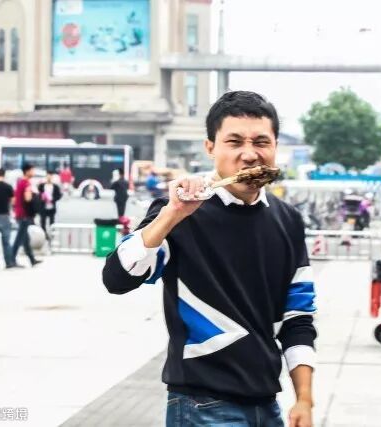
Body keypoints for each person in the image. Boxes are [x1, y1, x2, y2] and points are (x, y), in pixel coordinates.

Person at [102, 91, 316, 427]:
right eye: (234, 142)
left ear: (275, 146)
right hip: (201, 404)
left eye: (261, 141)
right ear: (210, 147)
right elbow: (117, 278)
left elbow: (298, 317)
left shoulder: (287, 220)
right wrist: (172, 214)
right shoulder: (182, 213)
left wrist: (304, 399)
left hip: (266, 405)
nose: (249, 154)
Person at [11, 164, 42, 267]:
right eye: (32, 170)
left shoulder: (20, 182)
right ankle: (11, 259)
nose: (33, 172)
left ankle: (32, 259)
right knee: (20, 238)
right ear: (27, 171)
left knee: (25, 238)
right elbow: (28, 198)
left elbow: (14, 199)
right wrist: (35, 196)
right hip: (24, 214)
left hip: (19, 213)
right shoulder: (26, 183)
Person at [38, 171, 62, 237]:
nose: (49, 177)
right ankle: (44, 235)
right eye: (48, 176)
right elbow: (38, 194)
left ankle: (52, 235)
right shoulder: (41, 186)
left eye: (50, 176)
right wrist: (42, 198)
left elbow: (59, 195)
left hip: (52, 207)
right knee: (43, 222)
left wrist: (52, 199)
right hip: (43, 207)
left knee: (52, 222)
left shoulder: (55, 186)